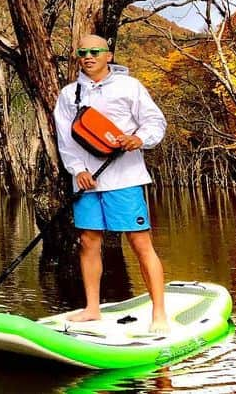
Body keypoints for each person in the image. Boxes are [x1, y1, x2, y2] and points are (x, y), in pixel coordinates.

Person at [53, 34, 169, 332]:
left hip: (125, 179)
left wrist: (139, 139)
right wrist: (77, 170)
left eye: (95, 51)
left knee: (139, 243)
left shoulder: (129, 86)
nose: (88, 56)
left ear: (109, 54)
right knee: (88, 242)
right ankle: (92, 308)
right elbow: (65, 139)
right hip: (87, 182)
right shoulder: (69, 94)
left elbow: (155, 122)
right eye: (82, 52)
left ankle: (159, 314)